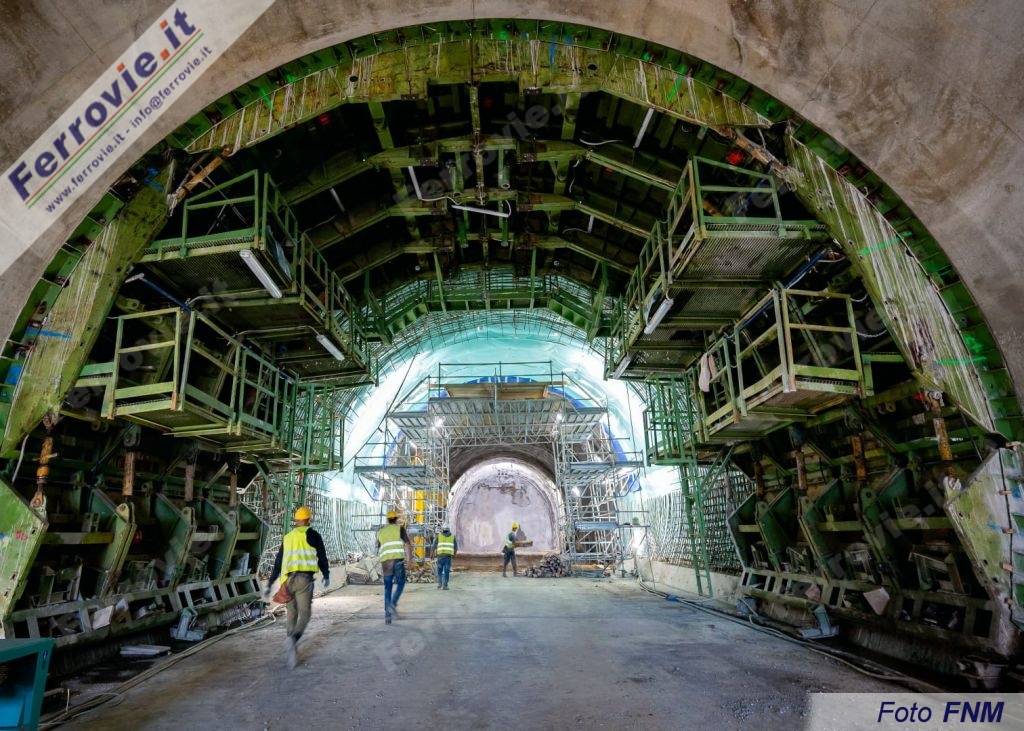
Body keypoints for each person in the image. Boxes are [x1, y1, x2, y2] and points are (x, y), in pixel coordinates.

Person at [265, 506, 330, 669]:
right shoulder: (314, 535)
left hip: (287, 581)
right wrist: (326, 574)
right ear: (309, 520)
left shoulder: (287, 537)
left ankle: (290, 645)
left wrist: (270, 583)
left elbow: (278, 563)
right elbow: (322, 557)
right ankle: (293, 639)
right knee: (305, 614)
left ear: (296, 520)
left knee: (292, 613)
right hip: (304, 580)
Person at [377, 510, 412, 624]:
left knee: (388, 588)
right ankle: (393, 603)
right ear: (396, 519)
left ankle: (387, 616)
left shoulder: (381, 531)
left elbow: (379, 547)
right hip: (397, 561)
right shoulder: (400, 529)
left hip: (386, 562)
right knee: (401, 583)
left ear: (387, 520)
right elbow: (408, 544)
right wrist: (409, 560)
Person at [433, 524, 457, 590]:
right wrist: (454, 554)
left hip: (440, 557)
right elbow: (455, 547)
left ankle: (439, 584)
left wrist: (431, 553)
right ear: (448, 529)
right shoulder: (452, 536)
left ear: (442, 529)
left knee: (439, 571)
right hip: (448, 557)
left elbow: (434, 545)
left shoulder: (439, 536)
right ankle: (445, 585)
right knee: (446, 571)